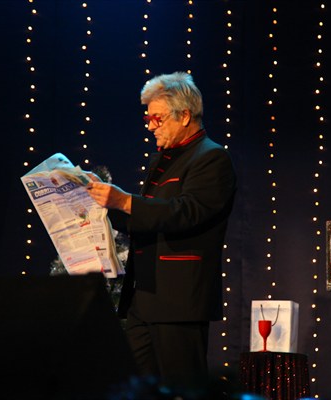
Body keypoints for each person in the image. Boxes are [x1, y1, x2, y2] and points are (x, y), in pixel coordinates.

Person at [86, 72, 236, 390]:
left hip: (179, 299)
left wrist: (124, 200)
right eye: (147, 118)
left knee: (183, 389)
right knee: (139, 388)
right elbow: (148, 218)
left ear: (185, 116)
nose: (150, 126)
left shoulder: (212, 157)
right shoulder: (165, 160)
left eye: (157, 118)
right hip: (143, 296)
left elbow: (186, 212)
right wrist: (101, 208)